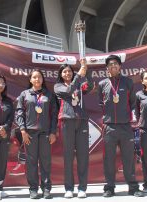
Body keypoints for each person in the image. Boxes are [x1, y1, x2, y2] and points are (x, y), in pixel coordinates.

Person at [98, 55, 143, 197]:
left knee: (128, 158)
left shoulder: (128, 82)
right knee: (109, 159)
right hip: (109, 127)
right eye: (110, 64)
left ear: (120, 67)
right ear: (107, 68)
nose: (113, 66)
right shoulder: (102, 84)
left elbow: (132, 103)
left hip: (125, 126)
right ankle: (109, 187)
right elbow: (101, 104)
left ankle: (133, 187)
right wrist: (105, 121)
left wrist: (132, 120)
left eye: (116, 64)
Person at [54, 59, 93, 198]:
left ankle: (82, 188)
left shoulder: (79, 83)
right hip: (67, 122)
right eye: (64, 71)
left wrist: (85, 70)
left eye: (69, 71)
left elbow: (90, 86)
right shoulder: (58, 86)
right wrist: (78, 76)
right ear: (61, 74)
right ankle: (69, 188)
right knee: (68, 156)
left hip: (81, 121)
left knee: (83, 156)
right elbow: (69, 90)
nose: (67, 73)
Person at [16, 70, 58, 199]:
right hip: (30, 134)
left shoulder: (49, 95)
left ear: (42, 79)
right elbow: (19, 113)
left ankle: (46, 189)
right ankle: (33, 189)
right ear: (30, 80)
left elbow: (54, 115)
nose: (37, 79)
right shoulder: (24, 94)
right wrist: (23, 130)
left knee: (45, 162)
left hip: (45, 133)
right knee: (31, 162)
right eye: (34, 77)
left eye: (39, 77)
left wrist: (52, 132)